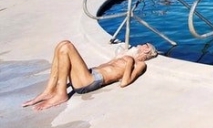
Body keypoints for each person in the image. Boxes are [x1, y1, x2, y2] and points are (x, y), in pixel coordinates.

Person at [23, 40, 158, 111]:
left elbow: (124, 82)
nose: (139, 45)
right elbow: (106, 65)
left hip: (91, 81)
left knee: (67, 47)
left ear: (146, 50)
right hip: (90, 74)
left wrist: (128, 62)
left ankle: (60, 94)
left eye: (142, 45)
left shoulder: (139, 64)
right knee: (62, 44)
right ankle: (49, 91)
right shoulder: (127, 56)